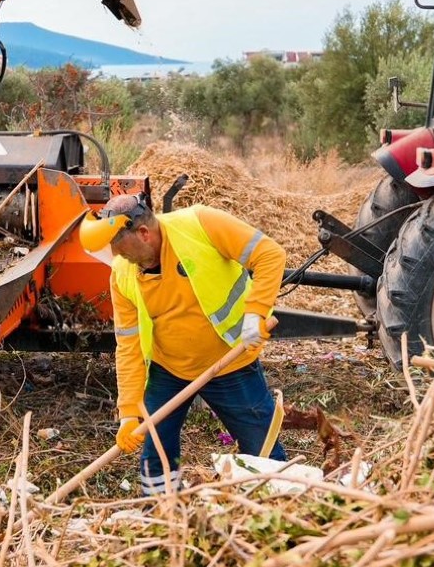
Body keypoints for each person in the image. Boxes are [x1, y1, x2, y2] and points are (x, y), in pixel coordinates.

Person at [79, 193, 286, 494]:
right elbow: (128, 346)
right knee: (156, 448)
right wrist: (127, 413)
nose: (115, 254)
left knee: (262, 446)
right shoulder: (122, 274)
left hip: (230, 363)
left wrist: (256, 311)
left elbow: (270, 254)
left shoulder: (201, 224)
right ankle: (161, 513)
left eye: (118, 246)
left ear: (144, 234)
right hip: (169, 371)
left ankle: (280, 501)